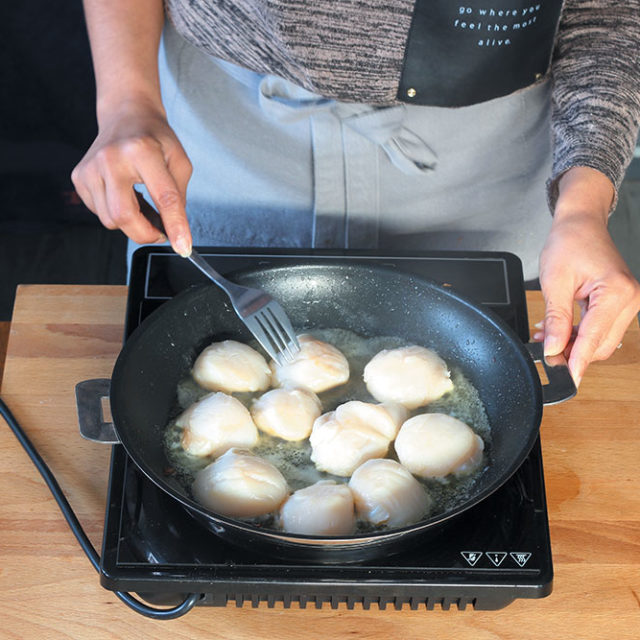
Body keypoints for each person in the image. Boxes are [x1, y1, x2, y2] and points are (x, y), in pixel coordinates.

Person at [71, 0, 640, 388]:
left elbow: (607, 12)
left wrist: (583, 203)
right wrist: (126, 100)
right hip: (229, 129)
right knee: (185, 316)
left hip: (483, 155)